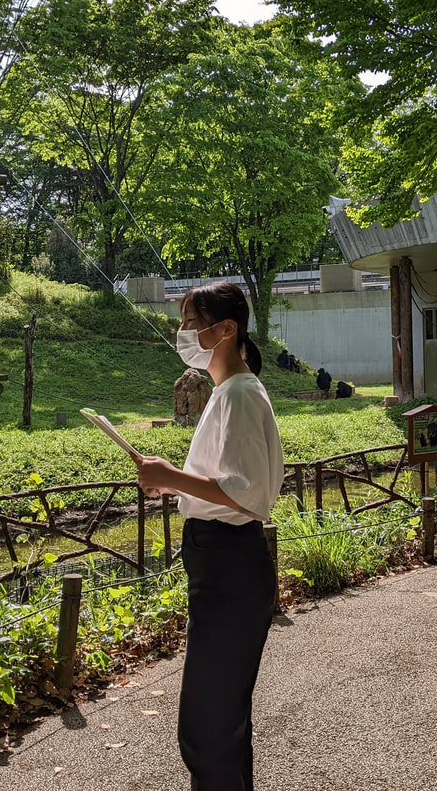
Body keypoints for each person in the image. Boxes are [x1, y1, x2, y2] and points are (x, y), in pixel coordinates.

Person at [132, 282, 284, 790]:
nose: (182, 332)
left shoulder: (239, 392)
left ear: (226, 329)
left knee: (208, 727)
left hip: (229, 568)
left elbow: (248, 494)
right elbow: (226, 486)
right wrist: (173, 484)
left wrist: (171, 477)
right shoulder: (229, 392)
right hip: (224, 565)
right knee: (220, 724)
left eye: (190, 321)